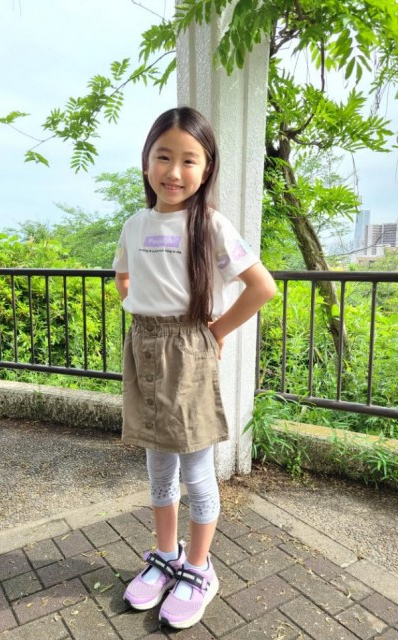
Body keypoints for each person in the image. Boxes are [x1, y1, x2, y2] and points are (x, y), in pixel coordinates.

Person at [113, 106, 276, 630]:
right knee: (158, 469)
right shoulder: (135, 224)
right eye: (163, 156)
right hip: (144, 348)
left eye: (189, 160)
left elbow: (262, 287)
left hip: (189, 352)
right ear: (146, 162)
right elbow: (123, 276)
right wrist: (137, 307)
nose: (174, 171)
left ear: (206, 170)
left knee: (197, 473)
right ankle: (167, 556)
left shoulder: (211, 226)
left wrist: (215, 331)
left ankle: (200, 569)